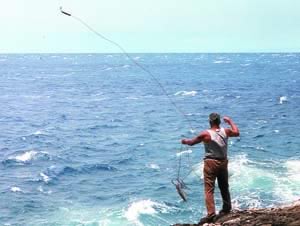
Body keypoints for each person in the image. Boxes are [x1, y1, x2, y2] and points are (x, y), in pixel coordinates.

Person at [181, 113, 239, 224]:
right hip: (223, 162)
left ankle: (211, 214)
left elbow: (191, 143)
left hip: (211, 162)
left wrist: (184, 141)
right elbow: (237, 132)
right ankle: (227, 208)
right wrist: (230, 121)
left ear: (210, 122)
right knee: (224, 186)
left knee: (209, 189)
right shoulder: (226, 131)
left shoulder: (205, 134)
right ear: (219, 122)